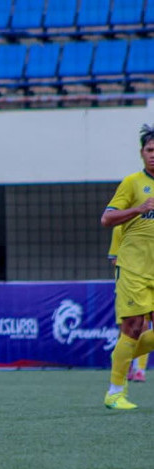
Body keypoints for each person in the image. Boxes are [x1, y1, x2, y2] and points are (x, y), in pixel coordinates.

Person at [101, 124, 154, 410]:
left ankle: (120, 356)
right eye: (149, 150)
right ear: (142, 153)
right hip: (134, 269)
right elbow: (107, 219)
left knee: (130, 340)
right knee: (133, 328)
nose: (153, 154)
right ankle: (115, 393)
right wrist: (139, 209)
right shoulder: (132, 183)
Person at [107, 226, 149, 383]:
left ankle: (140, 370)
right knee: (127, 330)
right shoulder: (119, 228)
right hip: (128, 286)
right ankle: (125, 365)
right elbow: (114, 259)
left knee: (144, 326)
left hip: (148, 285)